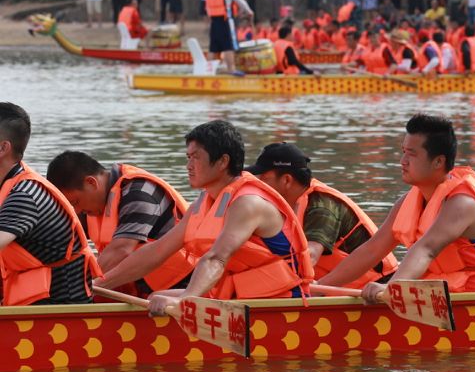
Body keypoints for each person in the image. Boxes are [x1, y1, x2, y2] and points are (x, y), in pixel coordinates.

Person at [102, 121, 314, 314]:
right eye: (188, 158)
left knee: (165, 298)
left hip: (282, 302)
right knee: (156, 297)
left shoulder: (248, 203)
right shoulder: (201, 205)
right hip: (237, 296)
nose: (188, 166)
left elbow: (217, 258)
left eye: (196, 157)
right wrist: (98, 283)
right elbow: (158, 251)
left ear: (222, 161)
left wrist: (185, 300)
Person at [320, 115, 475, 298]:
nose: (402, 161)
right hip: (444, 292)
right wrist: (319, 288)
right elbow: (372, 250)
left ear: (438, 162)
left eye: (412, 154)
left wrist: (392, 288)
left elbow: (427, 249)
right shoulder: (406, 202)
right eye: (403, 152)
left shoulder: (462, 204)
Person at [248, 143, 397, 287]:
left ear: (287, 180)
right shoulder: (284, 206)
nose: (258, 185)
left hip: (376, 286)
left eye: (264, 179)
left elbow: (310, 256)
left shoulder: (322, 206)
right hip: (335, 287)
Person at [46, 151, 193, 294]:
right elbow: (62, 239)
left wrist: (75, 285)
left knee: (80, 290)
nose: (76, 211)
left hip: (183, 287)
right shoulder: (92, 203)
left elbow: (121, 249)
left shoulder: (140, 192)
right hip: (142, 288)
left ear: (91, 182)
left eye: (75, 202)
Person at [0, 103, 100, 305]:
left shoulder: (25, 195)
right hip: (29, 305)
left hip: (60, 313)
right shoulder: (9, 183)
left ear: (3, 148)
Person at [206, 0, 254, 74]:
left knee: (213, 48)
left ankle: (208, 71)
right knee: (228, 45)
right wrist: (249, 11)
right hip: (226, 20)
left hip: (214, 20)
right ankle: (231, 69)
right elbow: (240, 1)